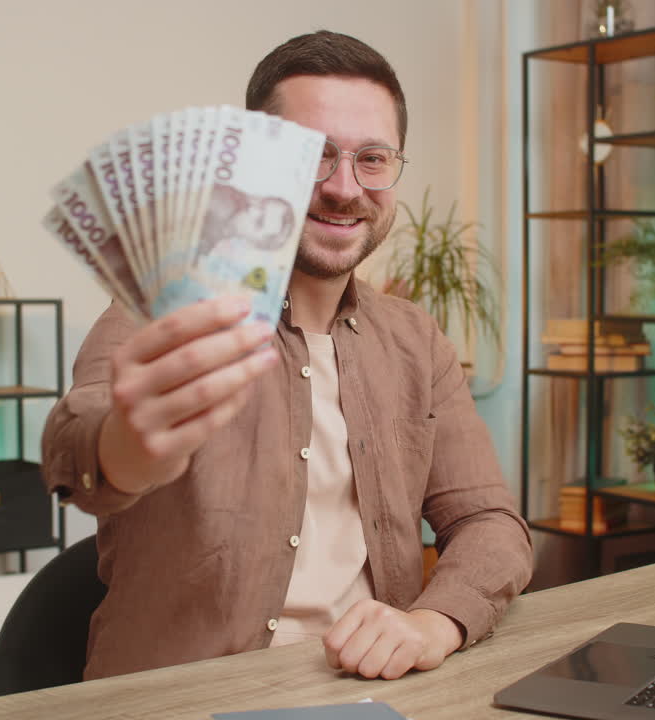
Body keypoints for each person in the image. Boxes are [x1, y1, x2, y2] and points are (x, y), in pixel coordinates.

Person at [41, 29, 533, 682]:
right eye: (313, 156)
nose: (344, 187)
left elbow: (490, 523)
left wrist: (431, 623)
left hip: (369, 693)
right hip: (185, 702)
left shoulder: (418, 342)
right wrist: (129, 448)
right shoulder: (161, 309)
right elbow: (74, 437)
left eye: (373, 159)